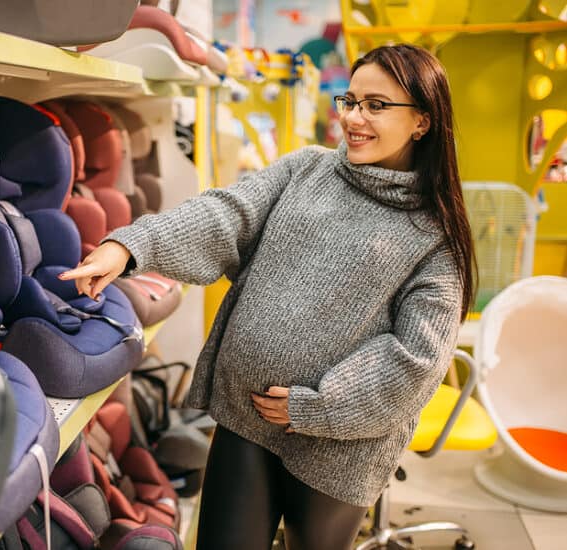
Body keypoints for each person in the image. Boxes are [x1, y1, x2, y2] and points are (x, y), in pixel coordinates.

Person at [59, 44, 475, 550]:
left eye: (376, 105)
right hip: (246, 412)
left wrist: (318, 408)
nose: (355, 118)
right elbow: (226, 214)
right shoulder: (307, 169)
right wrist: (131, 245)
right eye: (351, 100)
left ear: (422, 123)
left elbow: (416, 359)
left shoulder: (436, 236)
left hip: (337, 447)